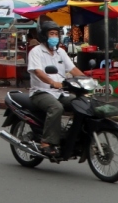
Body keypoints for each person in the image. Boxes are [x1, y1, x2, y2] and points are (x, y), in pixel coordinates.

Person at [27, 20, 87, 158]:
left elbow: (72, 69)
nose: (55, 37)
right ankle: (46, 142)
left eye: (56, 34)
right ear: (44, 35)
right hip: (40, 92)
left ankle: (72, 135)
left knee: (80, 104)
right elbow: (38, 72)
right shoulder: (36, 52)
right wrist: (52, 82)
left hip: (60, 92)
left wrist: (87, 80)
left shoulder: (60, 52)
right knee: (56, 108)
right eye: (52, 34)